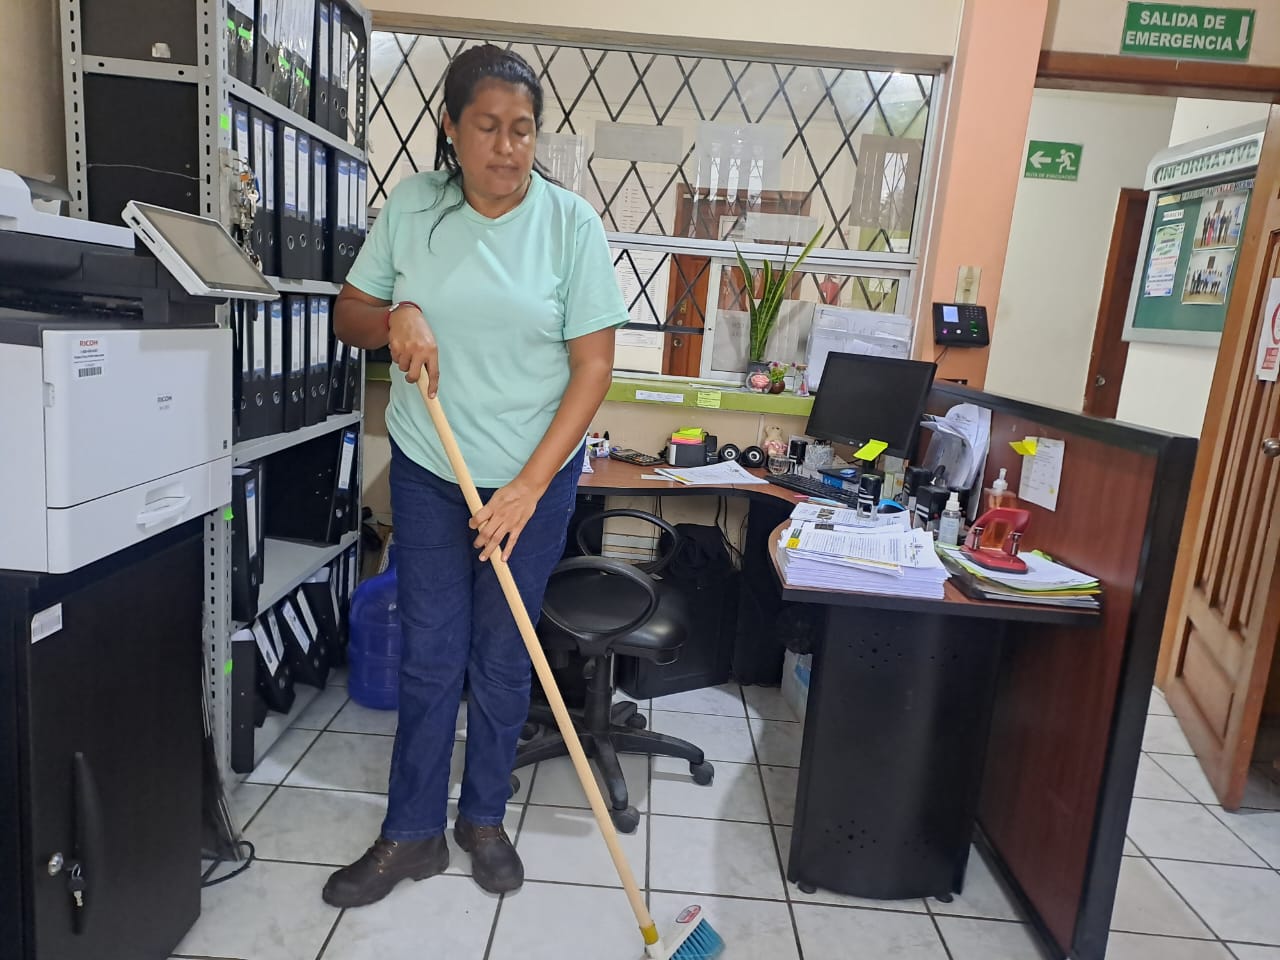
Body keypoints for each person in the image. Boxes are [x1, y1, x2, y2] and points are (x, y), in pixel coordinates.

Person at [324, 44, 628, 907]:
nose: (506, 146)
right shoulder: (414, 207)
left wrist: (528, 487)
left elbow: (594, 368)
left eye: (522, 129)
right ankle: (412, 832)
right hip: (432, 468)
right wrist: (398, 314)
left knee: (503, 653)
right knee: (431, 654)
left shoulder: (571, 225)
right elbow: (348, 315)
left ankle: (483, 819)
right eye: (487, 127)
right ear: (451, 129)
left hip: (534, 478)